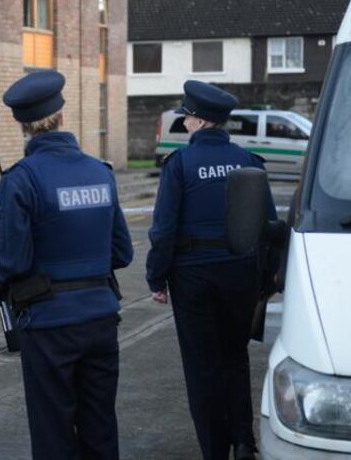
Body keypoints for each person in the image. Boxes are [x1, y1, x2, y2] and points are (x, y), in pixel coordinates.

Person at [0, 70, 134, 460]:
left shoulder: (21, 180)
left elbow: (12, 262)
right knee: (100, 425)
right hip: (101, 319)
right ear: (62, 116)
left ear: (23, 125)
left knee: (53, 429)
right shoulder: (100, 172)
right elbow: (122, 253)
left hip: (48, 323)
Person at [145, 81, 276, 460]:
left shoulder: (180, 165)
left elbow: (164, 229)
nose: (184, 123)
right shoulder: (249, 161)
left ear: (200, 121)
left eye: (187, 117)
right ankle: (243, 441)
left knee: (202, 367)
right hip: (241, 275)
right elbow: (269, 225)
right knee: (235, 357)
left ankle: (215, 450)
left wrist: (157, 277)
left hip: (193, 278)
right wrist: (266, 282)